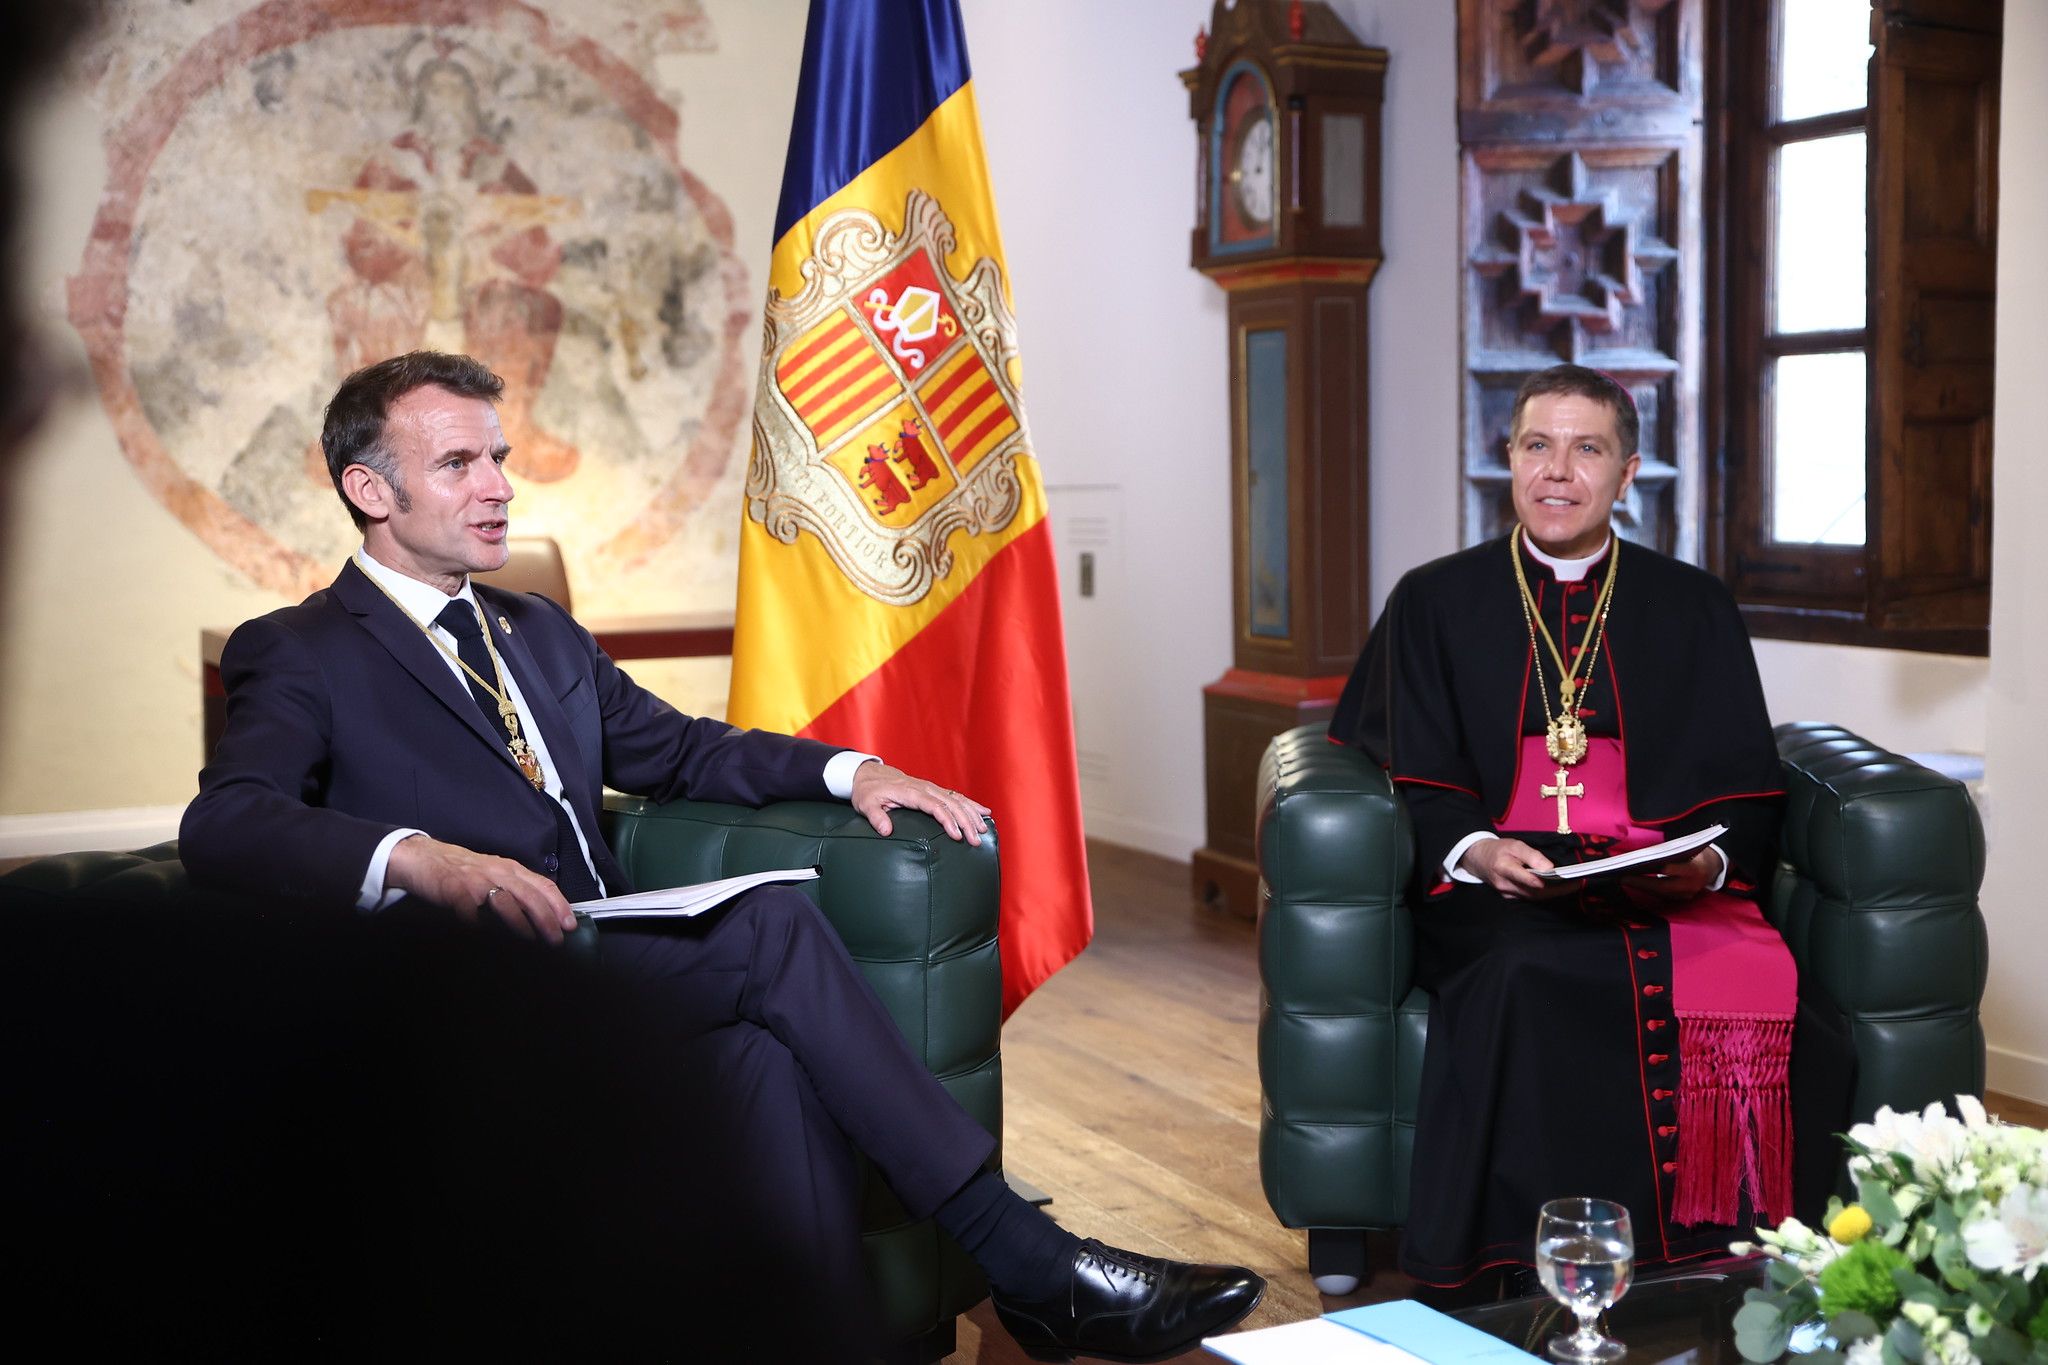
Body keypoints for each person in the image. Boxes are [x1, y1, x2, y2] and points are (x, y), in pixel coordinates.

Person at [179, 350, 1263, 1361]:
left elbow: (679, 750)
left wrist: (854, 774)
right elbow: (225, 821)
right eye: (457, 463)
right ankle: (1023, 1257)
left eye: (498, 457)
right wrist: (421, 858)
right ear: (372, 491)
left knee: (769, 1061)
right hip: (459, 992)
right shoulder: (304, 649)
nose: (497, 485)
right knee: (775, 925)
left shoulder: (536, 631)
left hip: (599, 958)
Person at [1328, 364, 1850, 1288]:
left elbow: (1740, 785)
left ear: (1627, 471)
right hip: (1501, 876)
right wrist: (1479, 848)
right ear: (1508, 459)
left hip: (1656, 870)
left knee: (1787, 1002)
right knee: (1524, 970)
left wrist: (1709, 864)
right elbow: (1413, 764)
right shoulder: (1433, 599)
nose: (1557, 471)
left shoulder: (1694, 604)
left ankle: (1732, 1263)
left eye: (1586, 449)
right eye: (1537, 445)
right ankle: (1517, 1263)